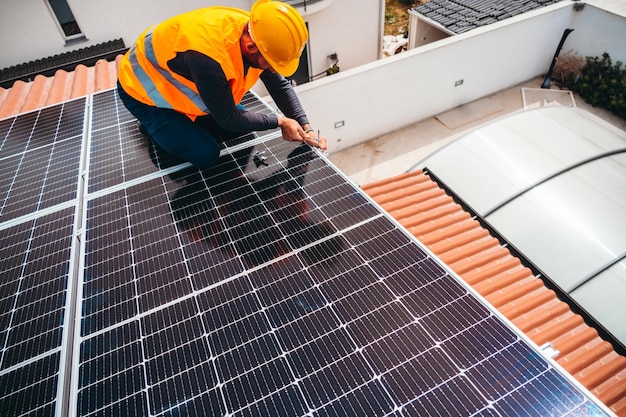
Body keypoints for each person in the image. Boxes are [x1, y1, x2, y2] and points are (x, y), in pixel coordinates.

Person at [117, 0, 327, 169]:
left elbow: (279, 86)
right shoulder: (209, 58)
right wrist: (281, 122)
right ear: (251, 47)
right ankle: (153, 128)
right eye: (272, 63)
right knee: (206, 154)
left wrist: (305, 126)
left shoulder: (257, 30)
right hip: (143, 92)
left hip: (178, 82)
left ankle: (185, 126)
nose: (273, 69)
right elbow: (228, 118)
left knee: (242, 129)